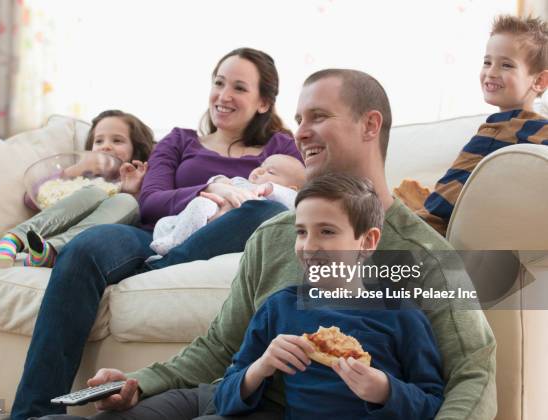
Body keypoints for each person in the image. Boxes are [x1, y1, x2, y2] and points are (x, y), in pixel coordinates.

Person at [36, 70, 496, 420]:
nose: (300, 132)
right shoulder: (273, 237)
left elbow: (472, 375)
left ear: (370, 125)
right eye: (298, 119)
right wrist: (141, 381)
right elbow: (221, 348)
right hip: (240, 399)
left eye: (318, 116)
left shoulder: (424, 256)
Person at [11, 47, 302, 420]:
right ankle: (31, 413)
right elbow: (151, 200)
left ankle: (155, 270)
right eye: (218, 83)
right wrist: (208, 191)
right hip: (153, 238)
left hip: (222, 235)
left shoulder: (280, 149)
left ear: (263, 102)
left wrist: (239, 201)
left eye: (239, 88)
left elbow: (294, 201)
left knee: (264, 209)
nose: (223, 96)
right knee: (84, 248)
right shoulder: (180, 141)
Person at [214, 172, 444, 419]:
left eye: (326, 231)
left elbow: (433, 402)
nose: (309, 246)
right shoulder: (280, 307)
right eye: (301, 232)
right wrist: (262, 366)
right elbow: (223, 399)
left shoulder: (401, 314)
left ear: (367, 241)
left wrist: (386, 391)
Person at [399, 15, 548, 235]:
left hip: (432, 233)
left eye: (506, 65)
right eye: (487, 62)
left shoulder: (514, 129)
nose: (491, 72)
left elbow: (443, 205)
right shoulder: (518, 128)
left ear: (539, 81)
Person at [0, 110, 155, 269]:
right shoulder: (83, 176)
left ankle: (51, 251)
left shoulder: (142, 176)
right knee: (94, 191)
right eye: (99, 141)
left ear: (136, 148)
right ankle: (14, 239)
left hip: (85, 240)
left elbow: (146, 217)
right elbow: (31, 198)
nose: (106, 146)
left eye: (117, 140)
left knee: (126, 201)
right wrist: (75, 170)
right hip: (53, 227)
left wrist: (132, 191)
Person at [150, 154, 305, 255]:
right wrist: (219, 182)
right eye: (261, 166)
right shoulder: (241, 182)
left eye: (270, 172)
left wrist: (271, 188)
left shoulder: (282, 197)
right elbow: (217, 182)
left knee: (200, 204)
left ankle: (175, 244)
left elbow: (293, 201)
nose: (259, 171)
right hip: (200, 214)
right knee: (171, 219)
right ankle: (172, 239)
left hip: (226, 224)